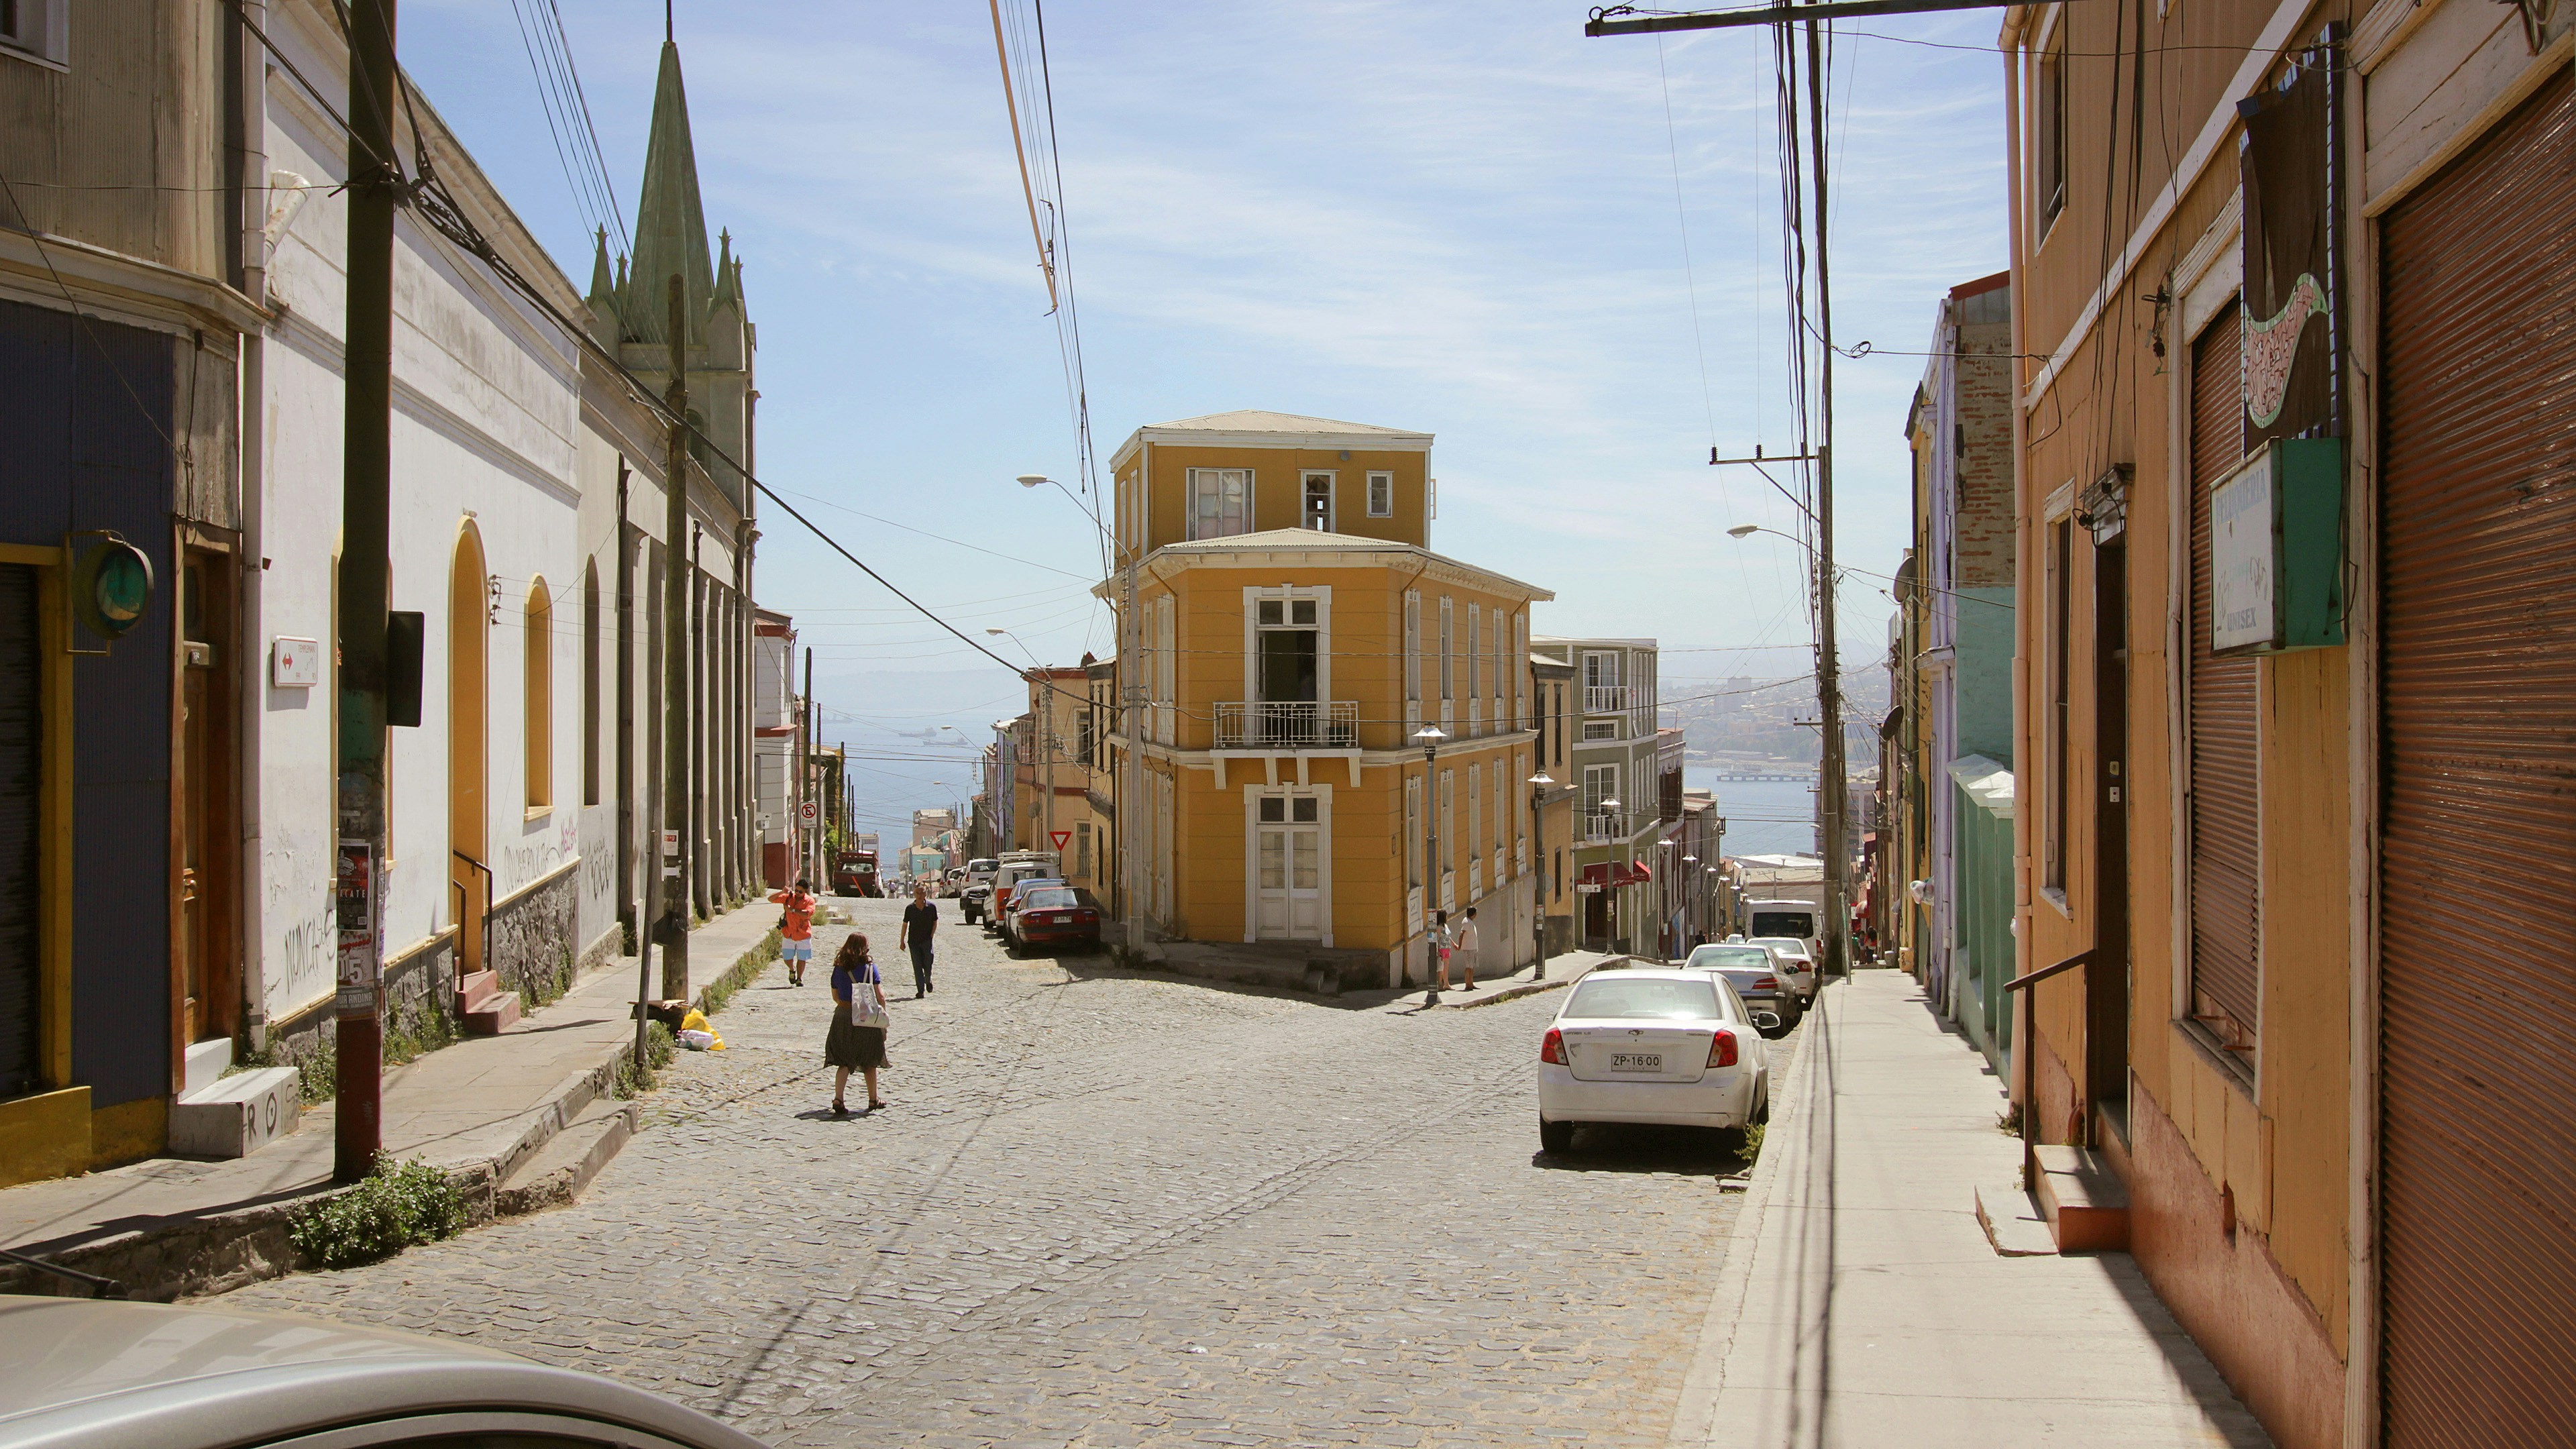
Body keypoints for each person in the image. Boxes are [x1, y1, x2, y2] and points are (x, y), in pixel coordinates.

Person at [824, 934, 888, 1116]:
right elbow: (880, 996)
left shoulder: (839, 969)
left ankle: (839, 1098)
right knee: (870, 1060)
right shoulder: (870, 968)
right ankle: (873, 1099)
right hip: (866, 1017)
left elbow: (835, 996)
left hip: (843, 1016)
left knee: (844, 1061)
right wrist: (881, 1018)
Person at [769, 878, 818, 986]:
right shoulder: (789, 898)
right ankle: (792, 970)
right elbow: (771, 899)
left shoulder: (810, 901)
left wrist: (793, 911)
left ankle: (799, 978)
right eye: (796, 890)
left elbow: (808, 914)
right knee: (787, 958)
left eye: (800, 891)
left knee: (802, 958)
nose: (798, 893)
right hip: (789, 933)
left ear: (806, 891)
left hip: (803, 933)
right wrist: (782, 892)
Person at [898, 881, 938, 998]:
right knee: (917, 965)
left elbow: (935, 922)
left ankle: (928, 980)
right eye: (918, 893)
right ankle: (920, 990)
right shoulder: (910, 909)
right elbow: (905, 925)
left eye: (922, 893)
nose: (920, 895)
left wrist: (931, 936)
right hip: (914, 942)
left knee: (928, 963)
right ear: (914, 894)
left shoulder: (931, 908)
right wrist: (902, 941)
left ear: (926, 894)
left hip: (927, 941)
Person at [1454, 906, 1481, 991]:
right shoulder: (1466, 922)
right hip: (1468, 948)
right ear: (1473, 914)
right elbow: (1461, 934)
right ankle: (1467, 984)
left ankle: (1471, 983)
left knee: (1471, 967)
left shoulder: (1470, 922)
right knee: (1468, 967)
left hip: (1473, 947)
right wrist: (1460, 945)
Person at [1431, 908, 1452, 992]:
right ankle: (1440, 983)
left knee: (1446, 967)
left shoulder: (1445, 926)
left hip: (1447, 948)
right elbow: (1438, 939)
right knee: (1440, 967)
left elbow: (1448, 937)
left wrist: (1453, 944)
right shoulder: (1439, 927)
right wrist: (1438, 950)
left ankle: (1446, 983)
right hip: (1441, 948)